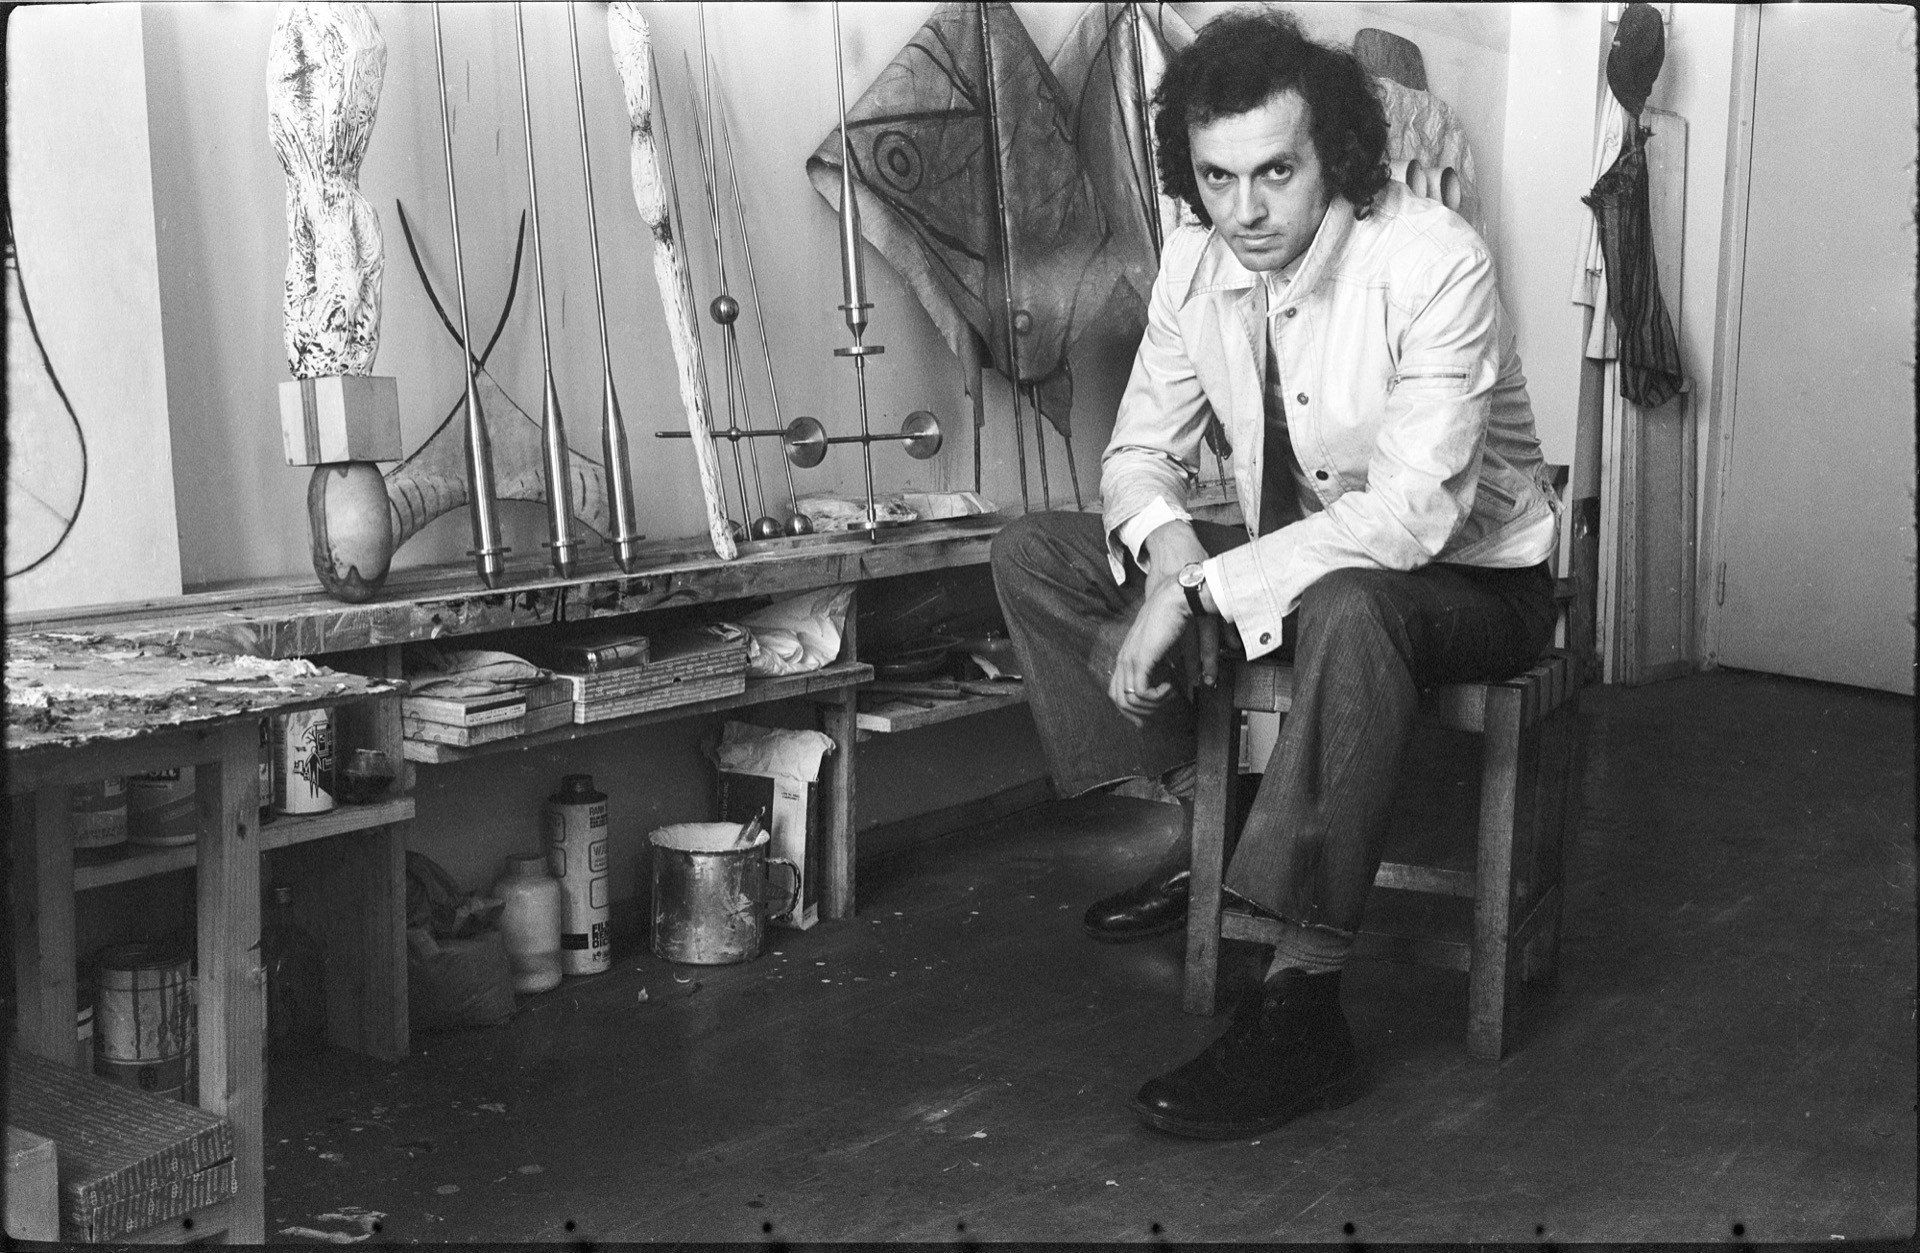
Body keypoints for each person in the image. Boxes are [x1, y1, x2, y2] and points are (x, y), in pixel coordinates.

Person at [990, 9, 1561, 1140]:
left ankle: (1304, 1001)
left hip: (1469, 582)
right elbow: (1138, 454)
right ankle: (1216, 820)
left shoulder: (1434, 260)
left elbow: (1407, 519)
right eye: (1218, 177)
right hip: (1292, 565)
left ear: (1334, 157)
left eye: (1275, 173)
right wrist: (1168, 551)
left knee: (1351, 604)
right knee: (1033, 552)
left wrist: (1198, 591)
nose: (1244, 210)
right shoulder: (1197, 261)